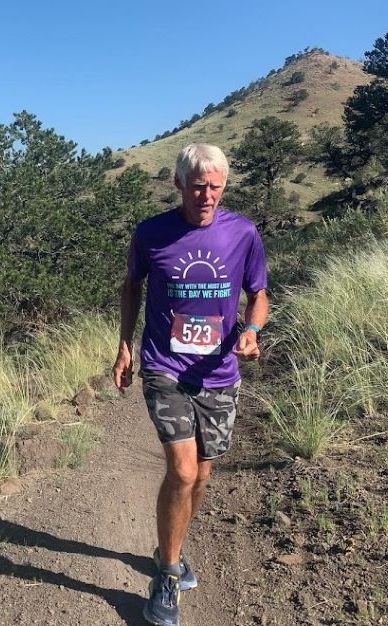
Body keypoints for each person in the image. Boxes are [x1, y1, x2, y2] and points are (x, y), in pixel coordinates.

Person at [112, 143, 268, 626]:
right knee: (181, 472)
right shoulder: (152, 233)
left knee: (201, 477)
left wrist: (251, 330)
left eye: (216, 186)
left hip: (219, 373)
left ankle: (170, 544)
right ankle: (167, 572)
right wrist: (124, 344)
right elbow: (132, 286)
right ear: (178, 184)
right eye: (198, 186)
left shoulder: (242, 233)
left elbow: (258, 294)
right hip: (166, 367)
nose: (207, 195)